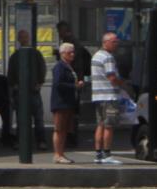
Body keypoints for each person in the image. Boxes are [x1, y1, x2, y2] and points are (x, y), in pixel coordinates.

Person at [6, 29, 47, 150]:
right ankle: (22, 141)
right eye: (21, 38)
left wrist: (40, 83)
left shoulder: (36, 54)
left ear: (28, 38)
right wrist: (14, 86)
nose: (24, 40)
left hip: (34, 92)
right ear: (18, 40)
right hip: (20, 93)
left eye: (25, 37)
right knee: (22, 119)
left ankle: (41, 141)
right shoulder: (15, 56)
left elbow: (42, 68)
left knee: (38, 119)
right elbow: (11, 74)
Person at [90, 32, 124, 165]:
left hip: (98, 96)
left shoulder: (96, 56)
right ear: (106, 42)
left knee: (100, 124)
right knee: (109, 126)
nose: (117, 44)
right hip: (109, 96)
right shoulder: (108, 57)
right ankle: (107, 154)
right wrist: (125, 85)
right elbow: (112, 77)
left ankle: (98, 154)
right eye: (114, 42)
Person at [56, 21, 91, 147]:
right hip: (77, 78)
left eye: (59, 31)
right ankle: (71, 136)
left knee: (69, 111)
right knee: (72, 111)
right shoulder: (74, 42)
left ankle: (70, 137)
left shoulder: (71, 44)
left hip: (74, 79)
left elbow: (77, 63)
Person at [50, 42, 83, 164]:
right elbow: (58, 84)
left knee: (64, 130)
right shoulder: (60, 67)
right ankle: (57, 154)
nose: (72, 54)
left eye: (73, 52)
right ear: (63, 54)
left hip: (68, 103)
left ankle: (61, 153)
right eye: (70, 52)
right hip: (61, 103)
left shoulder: (69, 67)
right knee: (59, 129)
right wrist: (74, 86)